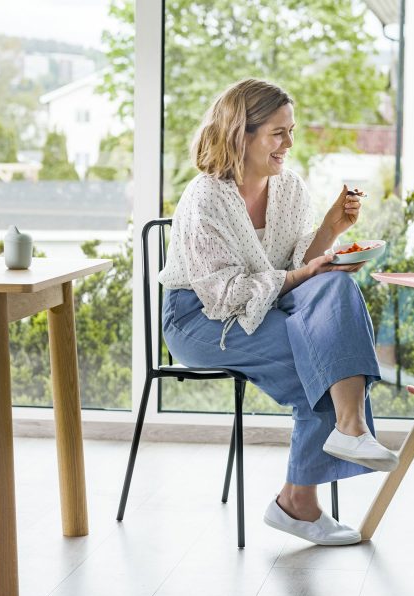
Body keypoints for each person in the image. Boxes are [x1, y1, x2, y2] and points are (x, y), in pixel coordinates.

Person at [158, 78, 398, 546]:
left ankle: (350, 430)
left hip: (267, 298)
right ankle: (298, 503)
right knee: (321, 358)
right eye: (278, 133)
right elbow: (224, 294)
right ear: (239, 134)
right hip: (201, 317)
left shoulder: (288, 189)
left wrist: (332, 227)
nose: (290, 143)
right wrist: (304, 275)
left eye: (291, 131)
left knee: (336, 285)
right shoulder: (204, 198)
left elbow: (295, 265)